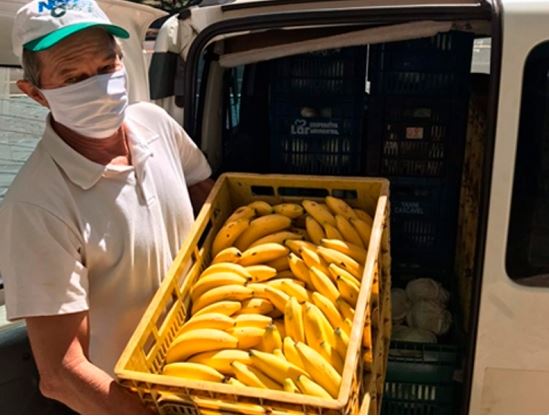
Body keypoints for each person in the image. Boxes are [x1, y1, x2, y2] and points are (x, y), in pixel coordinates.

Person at [0, 0, 214, 413]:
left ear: (121, 60)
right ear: (35, 93)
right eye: (74, 77)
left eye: (105, 67)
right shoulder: (36, 206)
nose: (97, 85)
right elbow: (62, 374)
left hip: (207, 366)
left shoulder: (155, 123)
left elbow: (204, 191)